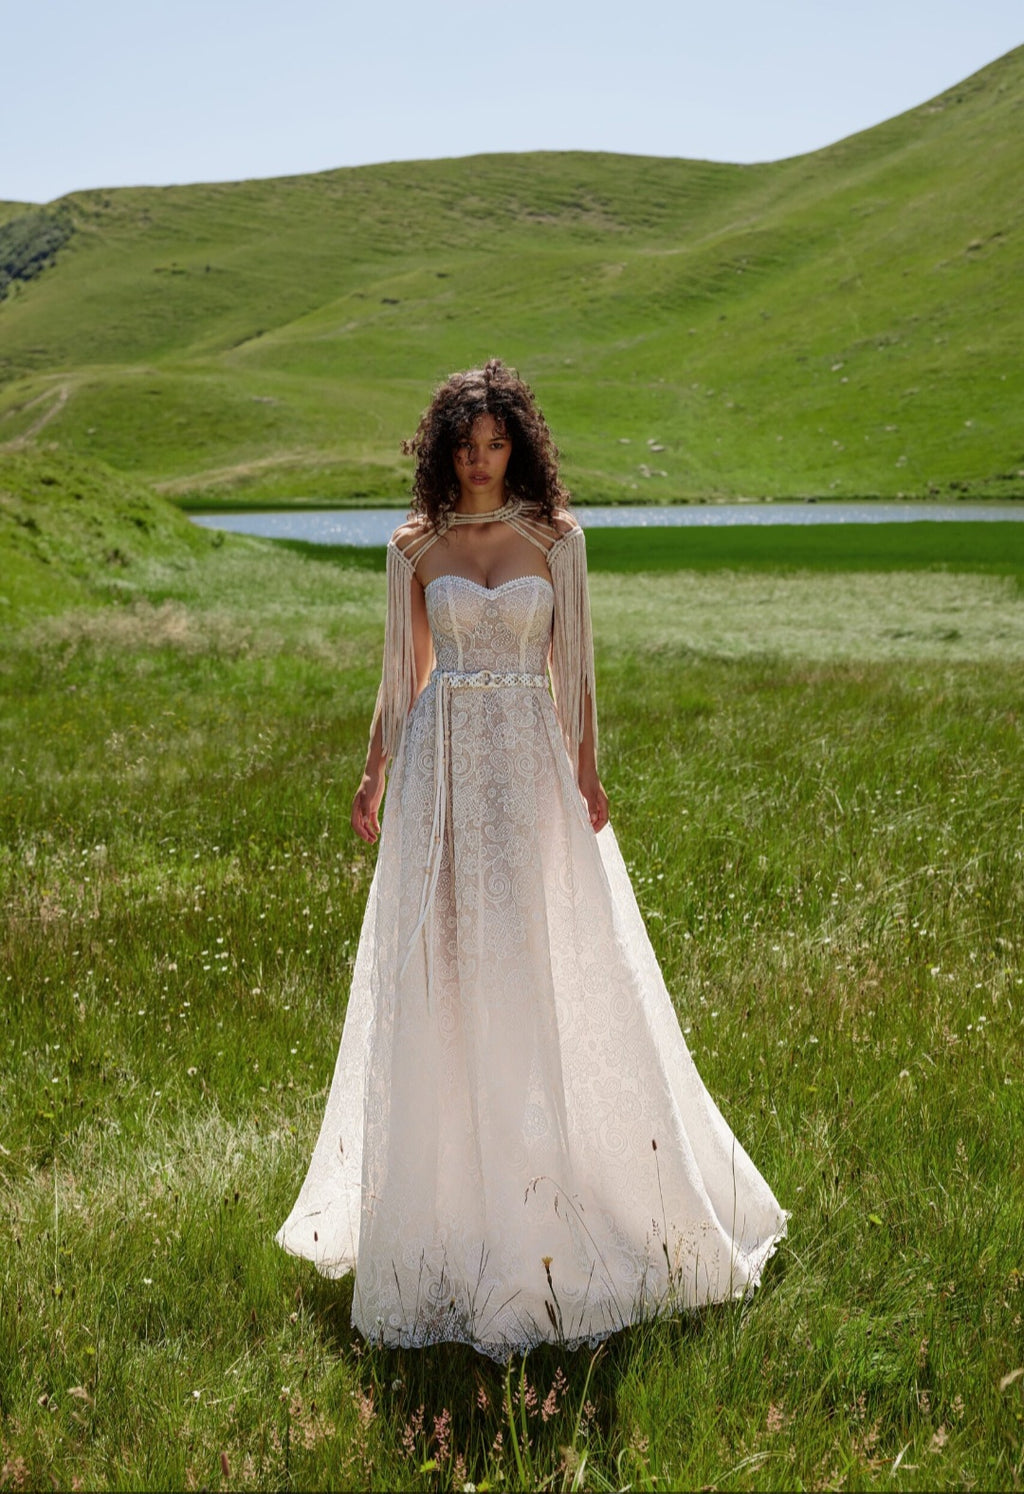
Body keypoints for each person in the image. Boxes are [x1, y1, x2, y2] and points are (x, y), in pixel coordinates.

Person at [275, 359, 786, 1359]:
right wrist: (372, 772)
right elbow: (400, 675)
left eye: (494, 443)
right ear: (443, 453)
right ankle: (452, 1205)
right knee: (449, 977)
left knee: (541, 963)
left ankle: (565, 1192)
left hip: (529, 772)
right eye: (463, 446)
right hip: (440, 773)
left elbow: (577, 673)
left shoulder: (558, 540)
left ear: (518, 444)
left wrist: (590, 774)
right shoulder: (414, 547)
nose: (477, 460)